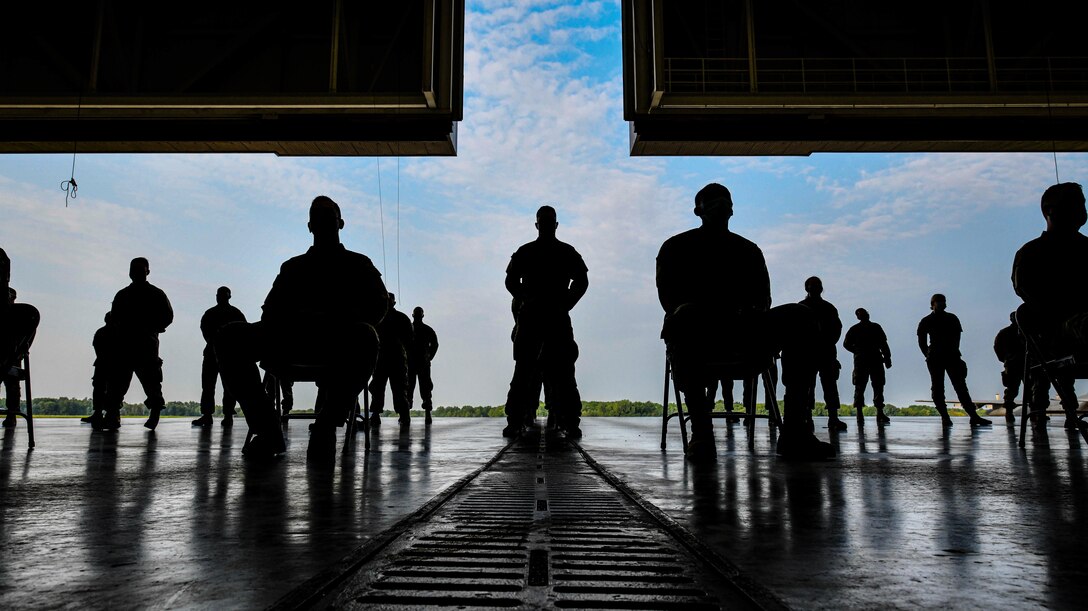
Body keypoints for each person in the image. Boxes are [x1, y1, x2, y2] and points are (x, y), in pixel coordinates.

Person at [656, 183, 833, 461]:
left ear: (732, 209)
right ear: (697, 211)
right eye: (712, 201)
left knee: (802, 316)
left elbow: (764, 299)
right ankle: (701, 434)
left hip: (745, 332)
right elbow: (669, 300)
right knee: (687, 317)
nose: (720, 204)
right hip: (697, 334)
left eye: (724, 200)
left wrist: (748, 314)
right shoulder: (675, 248)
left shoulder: (748, 251)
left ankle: (796, 430)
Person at [215, 196, 387, 462]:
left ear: (340, 223)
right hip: (290, 339)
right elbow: (270, 312)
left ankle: (326, 425)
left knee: (367, 336)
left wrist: (338, 318)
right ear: (310, 226)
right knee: (229, 336)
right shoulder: (293, 267)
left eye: (328, 215)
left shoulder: (359, 265)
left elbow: (378, 307)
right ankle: (267, 429)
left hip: (337, 341)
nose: (323, 221)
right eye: (318, 217)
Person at [503, 205, 588, 439]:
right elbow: (510, 281)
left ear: (554, 225)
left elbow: (581, 281)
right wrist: (525, 299)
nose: (547, 225)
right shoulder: (531, 252)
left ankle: (568, 420)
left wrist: (565, 304)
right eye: (545, 221)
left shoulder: (562, 252)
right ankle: (517, 420)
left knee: (562, 372)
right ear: (538, 225)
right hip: (537, 316)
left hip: (552, 316)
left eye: (550, 221)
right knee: (525, 371)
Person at [1012, 182, 1088, 430]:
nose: (1081, 211)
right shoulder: (1032, 254)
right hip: (1058, 335)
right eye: (1075, 205)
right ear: (1051, 211)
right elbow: (1032, 299)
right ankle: (1043, 411)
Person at [96, 257, 173, 432]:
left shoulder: (155, 294)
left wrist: (152, 328)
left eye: (140, 269)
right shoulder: (123, 295)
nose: (137, 272)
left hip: (145, 345)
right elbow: (114, 319)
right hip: (125, 345)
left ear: (147, 271)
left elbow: (168, 317)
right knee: (117, 383)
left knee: (151, 382)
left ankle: (154, 412)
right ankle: (113, 415)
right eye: (134, 269)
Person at [916, 294, 991, 427]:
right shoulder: (927, 321)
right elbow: (921, 342)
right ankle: (945, 416)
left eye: (942, 302)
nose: (941, 304)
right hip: (937, 358)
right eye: (938, 302)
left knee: (960, 388)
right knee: (939, 388)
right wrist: (928, 355)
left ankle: (973, 416)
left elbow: (957, 339)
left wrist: (954, 355)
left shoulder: (951, 318)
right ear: (933, 304)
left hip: (951, 357)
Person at [193, 287, 247, 428]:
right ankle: (220, 415)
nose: (220, 297)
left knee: (217, 386)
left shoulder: (212, 313)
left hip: (220, 353)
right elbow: (243, 331)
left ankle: (215, 415)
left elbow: (205, 330)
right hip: (223, 354)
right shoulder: (235, 313)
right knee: (214, 386)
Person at [799, 276, 845, 431]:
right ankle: (808, 416)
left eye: (817, 285)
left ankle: (833, 417)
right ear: (807, 288)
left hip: (825, 352)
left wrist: (828, 343)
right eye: (813, 285)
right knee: (808, 387)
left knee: (830, 386)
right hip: (810, 353)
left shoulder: (828, 308)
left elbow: (837, 330)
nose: (816, 288)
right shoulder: (802, 307)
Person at [1, 253, 39, 429]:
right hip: (11, 354)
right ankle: (12, 413)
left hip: (9, 353)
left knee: (11, 383)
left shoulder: (17, 316)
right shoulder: (22, 315)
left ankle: (13, 412)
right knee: (11, 380)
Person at [368, 292, 413, 427]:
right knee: (393, 388)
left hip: (387, 358)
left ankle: (377, 415)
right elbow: (410, 341)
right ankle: (403, 416)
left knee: (381, 388)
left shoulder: (377, 318)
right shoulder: (402, 318)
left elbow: (409, 341)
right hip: (394, 359)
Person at [843, 308, 892, 426]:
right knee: (860, 387)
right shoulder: (854, 329)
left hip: (874, 360)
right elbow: (846, 344)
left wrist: (887, 358)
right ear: (858, 317)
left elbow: (884, 344)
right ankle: (860, 412)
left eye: (865, 313)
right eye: (861, 314)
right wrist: (857, 351)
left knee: (878, 386)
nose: (864, 315)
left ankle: (879, 412)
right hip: (862, 361)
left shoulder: (876, 327)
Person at [81, 312, 117, 426]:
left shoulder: (101, 332)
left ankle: (105, 413)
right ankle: (107, 414)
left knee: (102, 388)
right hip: (108, 363)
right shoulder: (117, 332)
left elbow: (96, 346)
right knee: (106, 388)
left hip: (103, 363)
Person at [993, 312, 1025, 426]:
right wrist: (1006, 359)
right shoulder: (1007, 333)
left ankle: (1010, 412)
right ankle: (1010, 412)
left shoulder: (1005, 333)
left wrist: (1006, 359)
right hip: (1015, 364)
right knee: (1013, 389)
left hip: (1017, 363)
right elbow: (997, 348)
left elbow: (997, 348)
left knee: (1014, 389)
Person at [409, 306, 439, 425]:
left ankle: (406, 415)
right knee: (423, 389)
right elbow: (435, 345)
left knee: (411, 389)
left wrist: (429, 357)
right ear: (423, 315)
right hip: (421, 363)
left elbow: (435, 345)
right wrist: (429, 357)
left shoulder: (409, 329)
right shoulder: (428, 330)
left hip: (414, 363)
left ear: (413, 315)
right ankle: (427, 414)